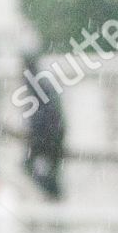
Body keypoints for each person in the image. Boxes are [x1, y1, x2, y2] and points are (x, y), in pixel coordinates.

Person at [20, 48, 67, 201]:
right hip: (53, 135)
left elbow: (43, 116)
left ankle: (53, 194)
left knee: (28, 165)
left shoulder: (36, 83)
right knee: (48, 169)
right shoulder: (42, 81)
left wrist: (36, 138)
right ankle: (54, 195)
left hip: (47, 137)